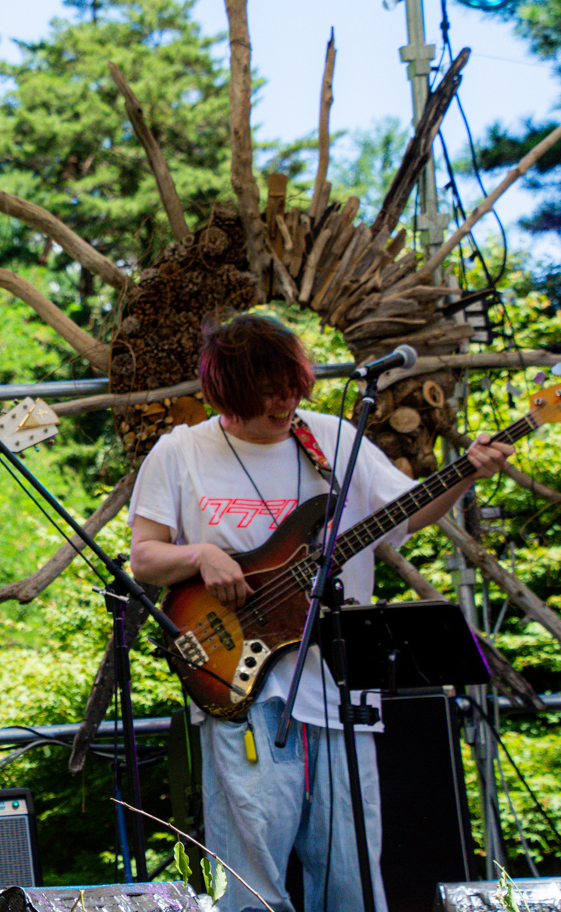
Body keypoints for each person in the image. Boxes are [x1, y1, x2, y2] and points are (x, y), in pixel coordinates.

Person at [127, 313, 511, 912]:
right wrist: (201, 554)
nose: (285, 403)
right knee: (250, 887)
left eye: (291, 388)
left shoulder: (332, 439)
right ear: (228, 393)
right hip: (241, 685)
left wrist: (467, 476)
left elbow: (407, 513)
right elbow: (145, 558)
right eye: (268, 394)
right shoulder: (181, 452)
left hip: (338, 687)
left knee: (351, 882)